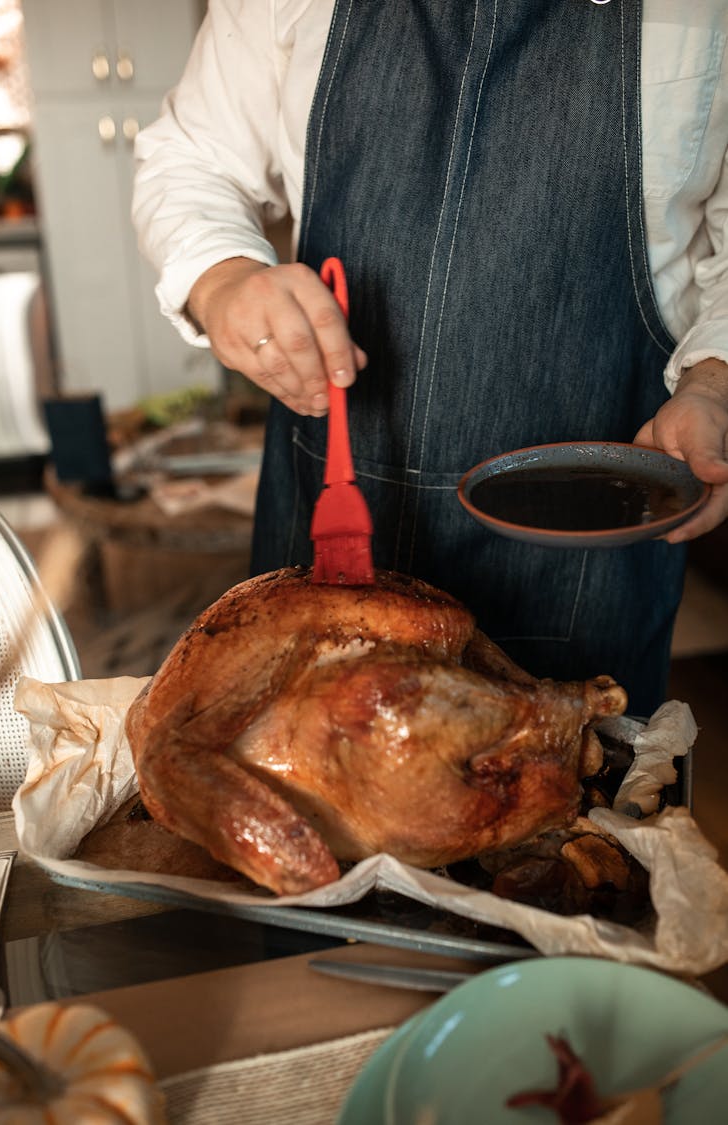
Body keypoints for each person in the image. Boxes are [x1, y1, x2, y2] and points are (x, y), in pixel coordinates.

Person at [132, 0, 728, 717]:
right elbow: (191, 158)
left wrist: (716, 382)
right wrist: (221, 280)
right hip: (329, 520)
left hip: (584, 573)